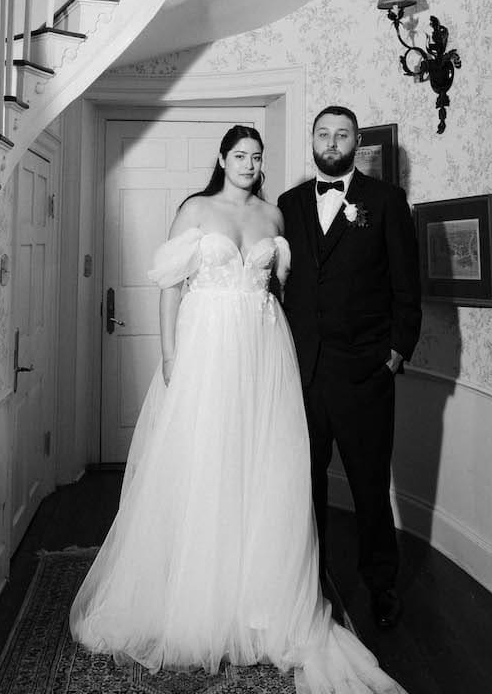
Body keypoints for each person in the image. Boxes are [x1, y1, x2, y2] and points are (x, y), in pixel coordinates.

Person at [70, 125, 407, 694]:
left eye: (257, 156)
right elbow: (169, 287)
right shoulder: (195, 209)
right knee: (208, 462)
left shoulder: (276, 215)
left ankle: (259, 592)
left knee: (262, 467)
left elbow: (290, 291)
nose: (249, 163)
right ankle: (200, 593)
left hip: (264, 350)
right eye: (240, 155)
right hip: (207, 349)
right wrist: (170, 355)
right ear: (223, 158)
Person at [278, 106, 422, 630]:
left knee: (368, 485)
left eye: (342, 135)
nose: (332, 142)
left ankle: (380, 584)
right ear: (312, 139)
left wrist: (398, 349)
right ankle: (310, 579)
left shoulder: (385, 201)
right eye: (324, 133)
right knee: (305, 482)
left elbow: (407, 283)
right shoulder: (289, 204)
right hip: (303, 372)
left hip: (365, 372)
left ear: (356, 142)